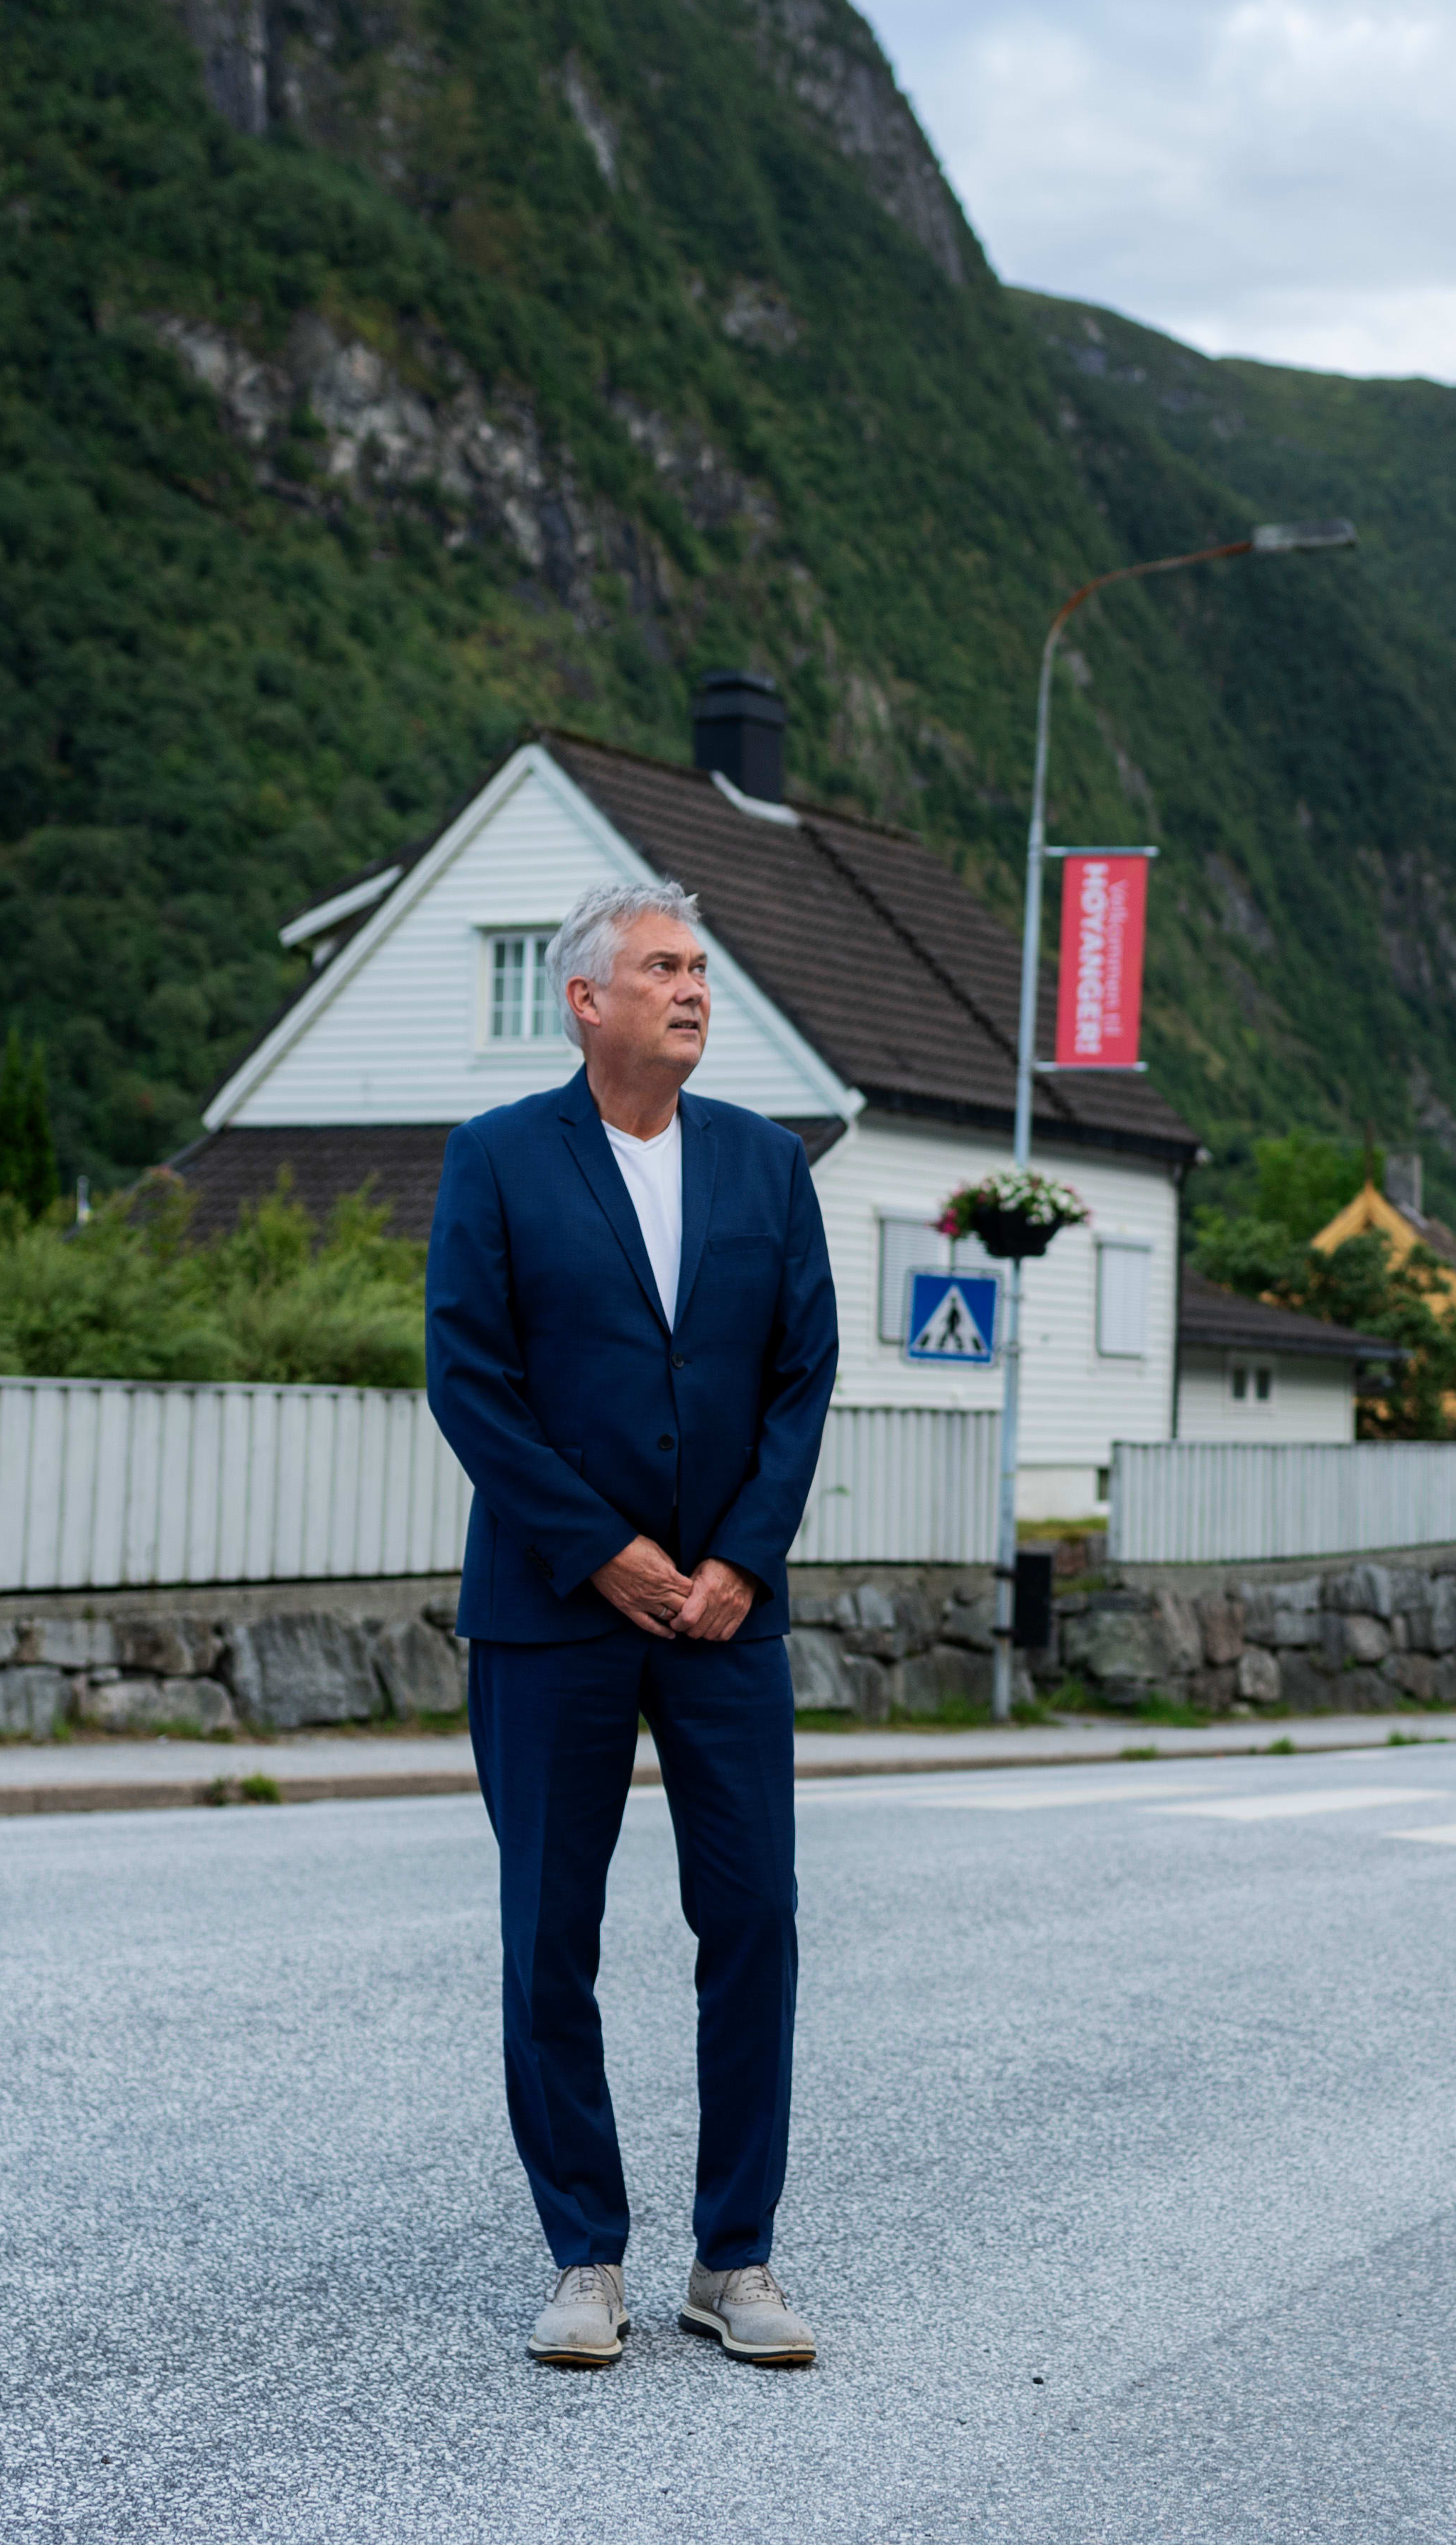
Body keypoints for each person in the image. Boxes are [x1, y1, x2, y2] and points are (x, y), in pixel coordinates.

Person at [424, 876, 843, 2370]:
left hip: (728, 1615)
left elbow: (801, 1377)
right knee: (551, 1931)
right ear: (586, 999)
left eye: (700, 968)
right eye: (663, 966)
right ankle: (583, 2255)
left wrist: (738, 1560)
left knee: (755, 1919)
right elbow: (469, 1379)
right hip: (553, 1609)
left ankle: (735, 2259)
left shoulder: (766, 1164)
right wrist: (604, 1552)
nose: (693, 988)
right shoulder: (496, 1159)